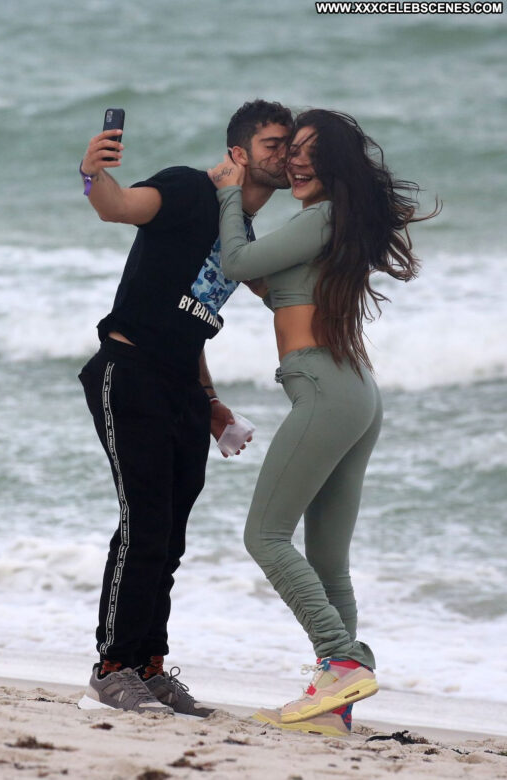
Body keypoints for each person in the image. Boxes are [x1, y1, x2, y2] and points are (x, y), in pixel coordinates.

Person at [208, 108, 438, 736]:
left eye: (311, 151)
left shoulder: (322, 217)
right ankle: (334, 707)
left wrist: (229, 194)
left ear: (334, 164)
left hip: (325, 388)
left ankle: (340, 660)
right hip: (355, 394)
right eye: (293, 150)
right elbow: (269, 284)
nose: (297, 161)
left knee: (265, 536)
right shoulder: (331, 223)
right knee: (329, 561)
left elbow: (236, 263)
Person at [76, 100, 293, 715]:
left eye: (289, 145)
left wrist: (213, 403)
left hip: (182, 389)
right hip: (130, 372)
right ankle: (110, 670)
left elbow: (191, 325)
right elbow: (117, 206)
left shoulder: (240, 238)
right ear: (238, 153)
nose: (284, 154)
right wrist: (92, 172)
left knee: (169, 537)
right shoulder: (187, 189)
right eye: (272, 144)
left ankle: (148, 668)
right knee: (143, 524)